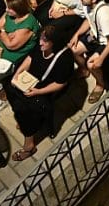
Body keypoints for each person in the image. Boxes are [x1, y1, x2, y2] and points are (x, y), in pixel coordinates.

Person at [6, 25, 77, 160]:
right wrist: (17, 75)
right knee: (10, 87)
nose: (40, 43)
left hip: (44, 89)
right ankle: (23, 121)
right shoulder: (40, 47)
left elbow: (60, 83)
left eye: (45, 40)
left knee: (25, 110)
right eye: (41, 39)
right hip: (32, 81)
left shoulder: (64, 57)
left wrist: (38, 91)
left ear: (54, 42)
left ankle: (29, 146)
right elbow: (30, 58)